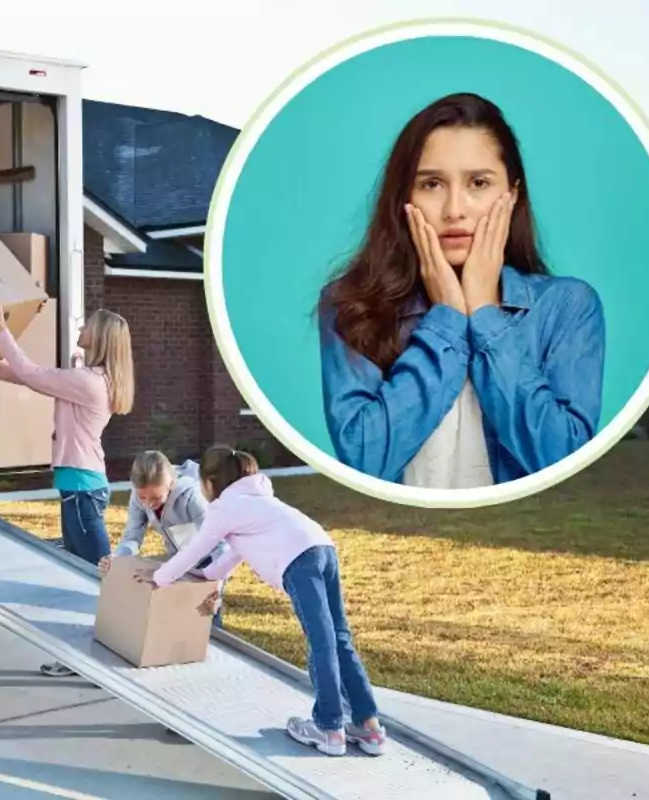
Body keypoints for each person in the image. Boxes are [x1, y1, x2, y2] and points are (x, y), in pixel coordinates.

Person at [317, 92, 605, 489]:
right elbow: (364, 462)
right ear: (405, 198)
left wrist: (485, 314)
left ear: (512, 195)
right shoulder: (349, 305)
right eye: (432, 184)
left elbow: (561, 461)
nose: (455, 209)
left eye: (479, 183)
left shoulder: (568, 306)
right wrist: (447, 319)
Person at [135, 445, 386, 757]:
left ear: (210, 483)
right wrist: (208, 576)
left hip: (301, 562)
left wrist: (160, 578)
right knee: (339, 638)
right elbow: (232, 555)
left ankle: (329, 727)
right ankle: (369, 726)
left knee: (322, 644)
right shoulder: (258, 501)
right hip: (323, 548)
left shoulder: (225, 508)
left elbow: (194, 549)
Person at [0, 306, 135, 679]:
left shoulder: (89, 382)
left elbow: (35, 374)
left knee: (97, 580)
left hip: (81, 489)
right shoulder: (91, 379)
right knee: (84, 578)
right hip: (80, 486)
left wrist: (1, 330)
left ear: (101, 338)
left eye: (87, 326)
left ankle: (109, 658)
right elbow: (34, 378)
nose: (81, 327)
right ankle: (84, 657)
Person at [101, 450, 227, 628]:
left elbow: (221, 546)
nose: (148, 504)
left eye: (155, 498)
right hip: (178, 561)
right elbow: (132, 536)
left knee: (206, 620)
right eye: (143, 497)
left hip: (210, 562)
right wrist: (117, 559)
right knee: (178, 620)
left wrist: (216, 590)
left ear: (171, 484)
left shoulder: (192, 497)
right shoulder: (139, 495)